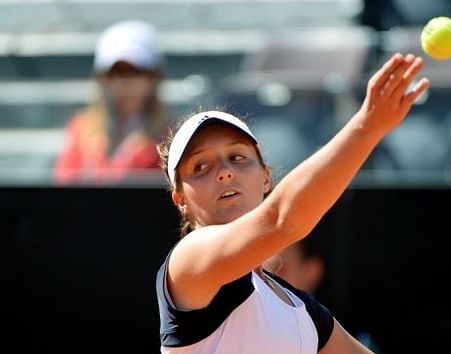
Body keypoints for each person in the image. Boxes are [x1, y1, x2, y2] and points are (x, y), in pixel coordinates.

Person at [155, 52, 429, 353]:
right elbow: (283, 220)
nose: (224, 172)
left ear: (265, 178)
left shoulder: (302, 312)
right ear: (180, 200)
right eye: (201, 167)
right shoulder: (188, 261)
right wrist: (367, 127)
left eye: (237, 157)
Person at [54, 19, 169, 184]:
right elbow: (63, 186)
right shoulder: (80, 130)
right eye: (114, 73)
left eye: (135, 72)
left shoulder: (170, 137)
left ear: (153, 78)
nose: (123, 83)